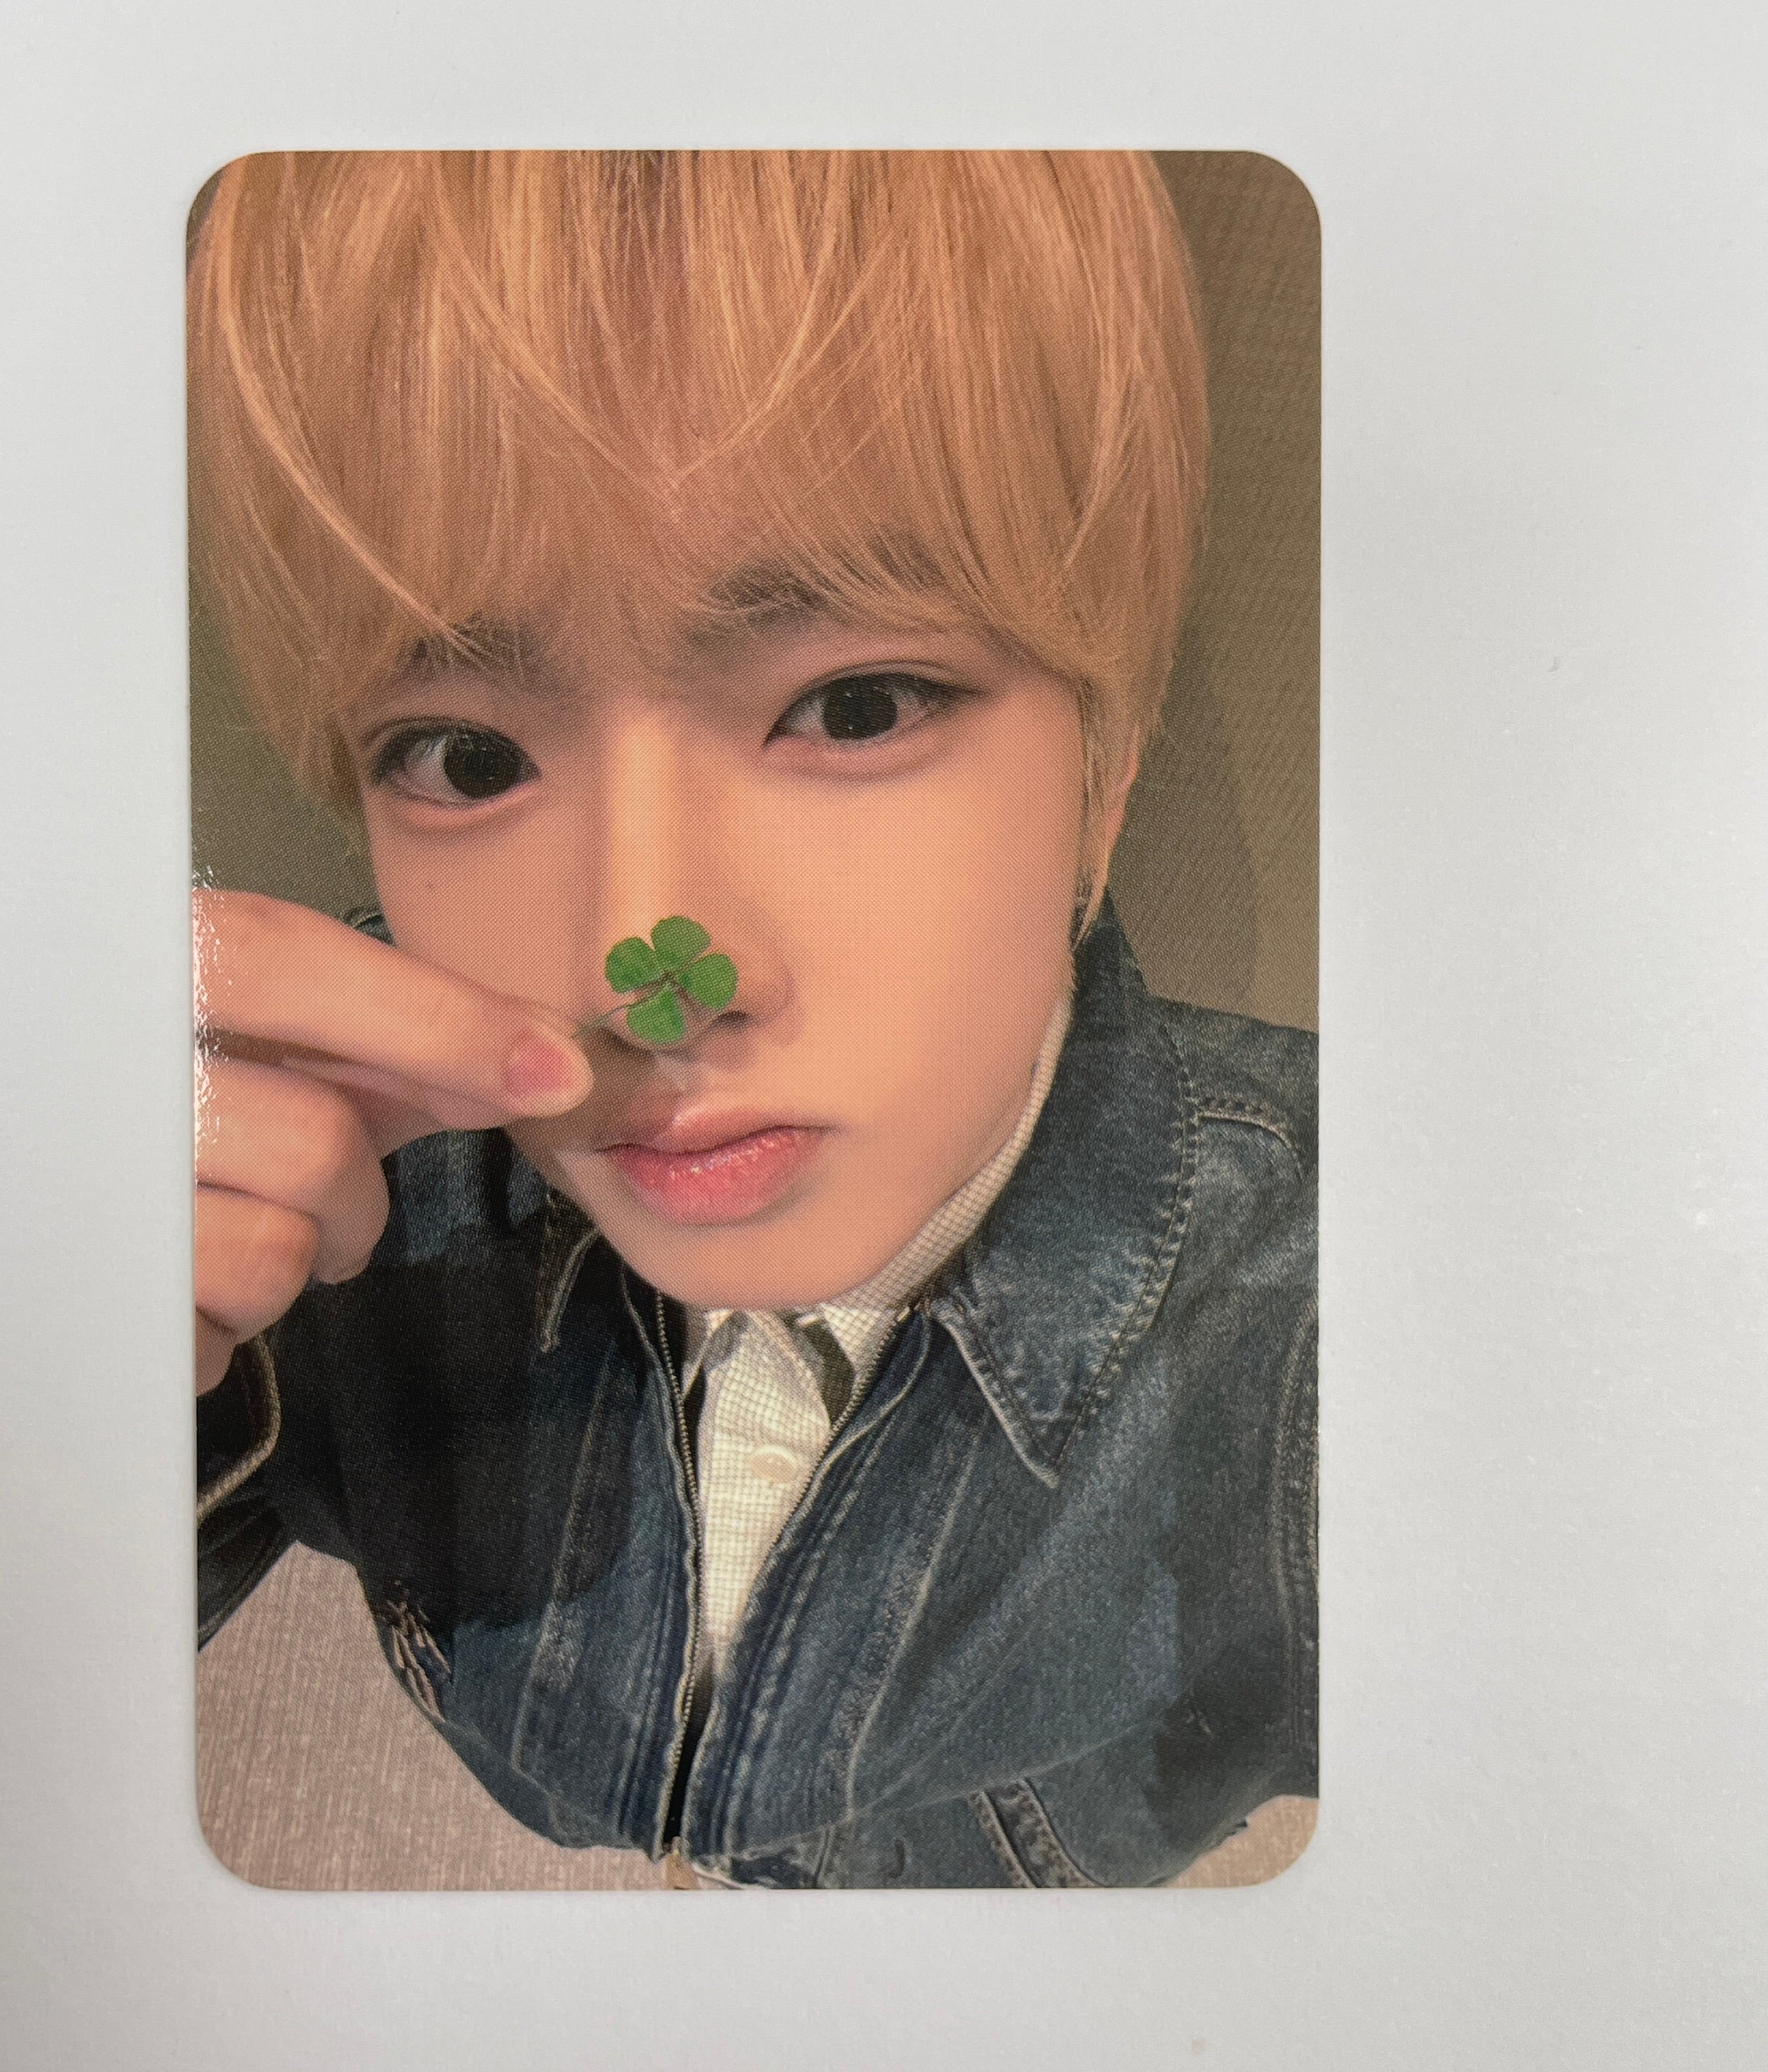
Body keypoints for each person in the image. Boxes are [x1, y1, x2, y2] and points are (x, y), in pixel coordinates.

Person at [188, 150, 1316, 1888]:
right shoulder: (318, 1177)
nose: (642, 975)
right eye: (466, 757)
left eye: (855, 707)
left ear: (1104, 777)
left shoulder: (1342, 1320)